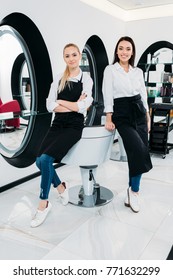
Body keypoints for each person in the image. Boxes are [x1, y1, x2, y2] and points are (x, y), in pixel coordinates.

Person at [31, 43, 93, 227]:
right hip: (57, 124)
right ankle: (60, 186)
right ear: (64, 58)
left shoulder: (86, 79)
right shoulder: (58, 78)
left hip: (74, 126)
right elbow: (50, 105)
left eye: (74, 54)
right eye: (67, 56)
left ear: (79, 55)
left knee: (46, 159)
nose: (71, 58)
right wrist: (72, 104)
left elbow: (83, 106)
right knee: (39, 161)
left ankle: (43, 204)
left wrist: (62, 101)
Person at [102, 36, 152, 213]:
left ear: (132, 52)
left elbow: (143, 94)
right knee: (138, 149)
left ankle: (132, 192)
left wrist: (147, 116)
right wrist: (109, 117)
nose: (124, 52)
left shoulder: (137, 71)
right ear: (117, 51)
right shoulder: (110, 70)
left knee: (138, 151)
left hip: (139, 110)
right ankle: (135, 192)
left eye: (128, 49)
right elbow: (107, 94)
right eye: (121, 48)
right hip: (121, 113)